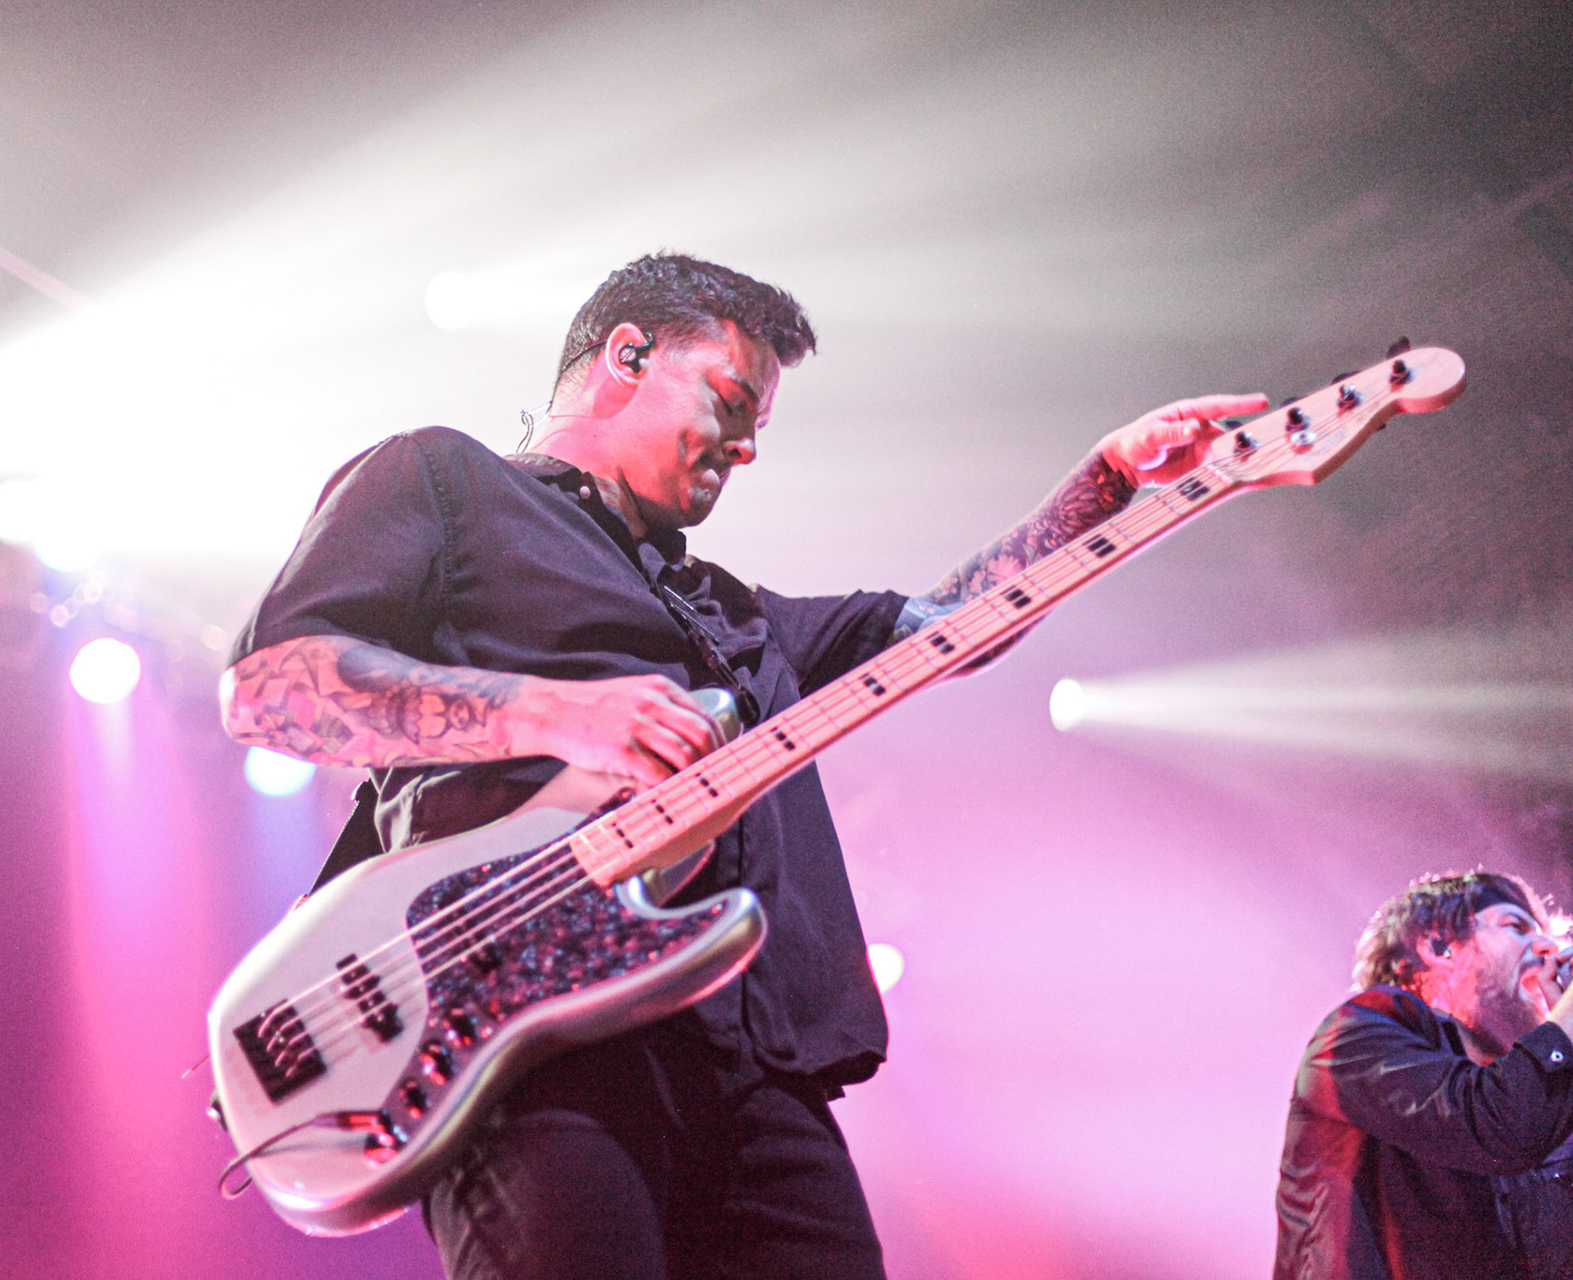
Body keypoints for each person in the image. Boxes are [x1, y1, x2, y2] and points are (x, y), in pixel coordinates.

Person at [222, 253, 1266, 1279]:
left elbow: (952, 625)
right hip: (532, 1054)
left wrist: (1110, 486)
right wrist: (557, 713)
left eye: (760, 423)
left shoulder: (735, 615)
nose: (747, 447)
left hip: (757, 1068)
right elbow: (269, 688)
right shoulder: (446, 480)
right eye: (730, 401)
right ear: (628, 355)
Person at [1274, 870, 1573, 1280]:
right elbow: (1497, 1123)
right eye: (1516, 927)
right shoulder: (1358, 1034)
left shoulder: (1540, 1100)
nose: (1547, 948)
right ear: (1439, 945)